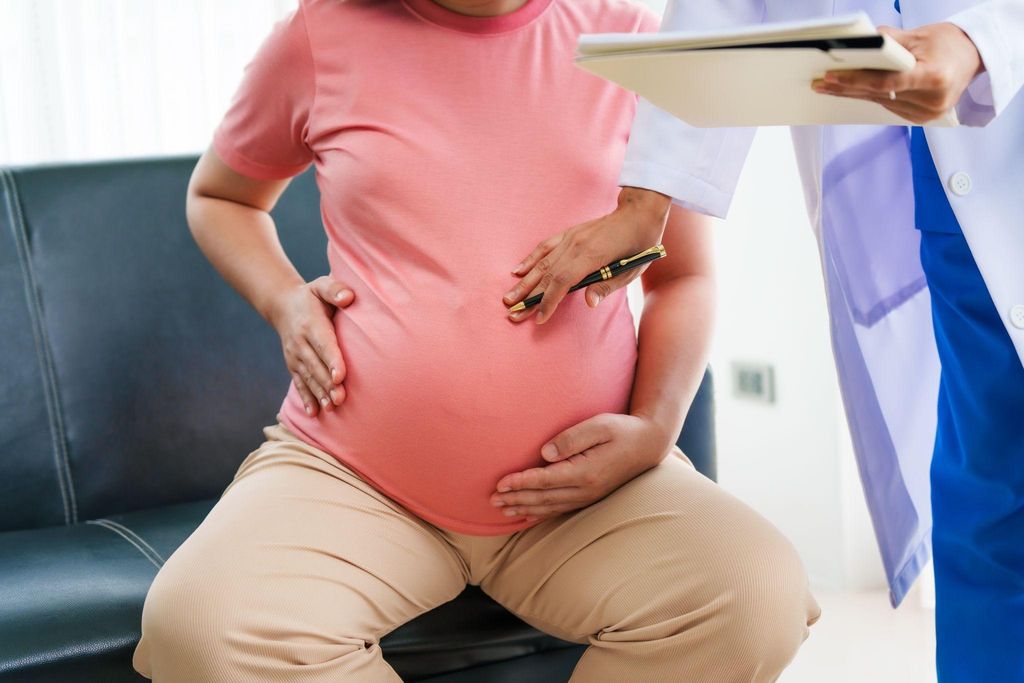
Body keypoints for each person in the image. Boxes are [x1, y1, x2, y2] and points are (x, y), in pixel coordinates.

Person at [131, 0, 820, 680]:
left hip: (584, 495)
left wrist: (653, 427)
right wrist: (284, 300)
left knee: (758, 597)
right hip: (358, 477)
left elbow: (683, 277)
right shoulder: (318, 35)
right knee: (200, 623)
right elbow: (220, 197)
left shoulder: (634, 40)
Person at [504, 1, 1024, 680]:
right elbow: (722, 9)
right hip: (950, 160)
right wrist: (643, 201)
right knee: (990, 500)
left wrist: (980, 39)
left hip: (995, 115)